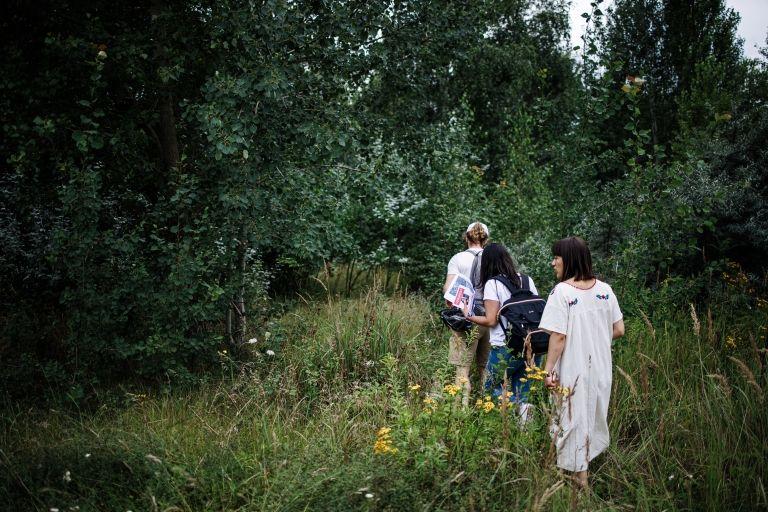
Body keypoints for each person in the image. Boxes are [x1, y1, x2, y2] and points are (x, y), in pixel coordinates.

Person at [538, 236, 625, 489]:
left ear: (569, 260)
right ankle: (574, 479)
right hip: (600, 369)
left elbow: (559, 336)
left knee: (573, 422)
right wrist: (592, 336)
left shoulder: (562, 292)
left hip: (574, 370)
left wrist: (548, 370)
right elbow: (618, 329)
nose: (553, 263)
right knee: (589, 421)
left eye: (556, 257)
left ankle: (581, 488)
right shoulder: (605, 290)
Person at [464, 242, 541, 423]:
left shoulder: (493, 283)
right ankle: (523, 429)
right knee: (522, 392)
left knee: (491, 390)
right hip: (533, 345)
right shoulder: (527, 280)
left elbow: (491, 320)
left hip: (505, 347)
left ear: (487, 264)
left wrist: (469, 316)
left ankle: (500, 428)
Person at [443, 222, 491, 406]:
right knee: (485, 368)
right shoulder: (492, 258)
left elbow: (448, 290)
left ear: (466, 237)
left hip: (466, 320)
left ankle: (460, 413)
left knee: (462, 370)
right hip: (488, 319)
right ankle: (486, 406)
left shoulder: (458, 259)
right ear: (486, 239)